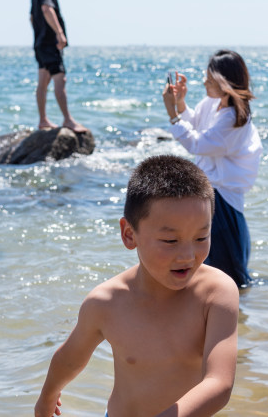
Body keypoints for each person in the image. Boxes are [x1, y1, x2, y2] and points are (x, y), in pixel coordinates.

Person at [34, 155, 239, 417]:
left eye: (201, 237)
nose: (188, 255)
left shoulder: (216, 294)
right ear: (129, 235)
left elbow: (219, 383)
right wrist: (46, 399)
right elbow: (70, 358)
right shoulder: (106, 303)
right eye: (170, 241)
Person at [162, 50, 263, 287]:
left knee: (229, 274)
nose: (204, 82)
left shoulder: (235, 118)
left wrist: (172, 114)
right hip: (210, 190)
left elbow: (198, 144)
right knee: (212, 266)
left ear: (224, 82)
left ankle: (234, 317)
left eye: (209, 78)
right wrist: (180, 103)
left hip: (223, 196)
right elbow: (196, 124)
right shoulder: (213, 103)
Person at [29, 0, 86, 132]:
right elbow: (47, 9)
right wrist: (59, 33)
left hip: (39, 44)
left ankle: (43, 120)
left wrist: (39, 34)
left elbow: (32, 18)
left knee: (43, 82)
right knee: (60, 80)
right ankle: (68, 119)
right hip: (49, 44)